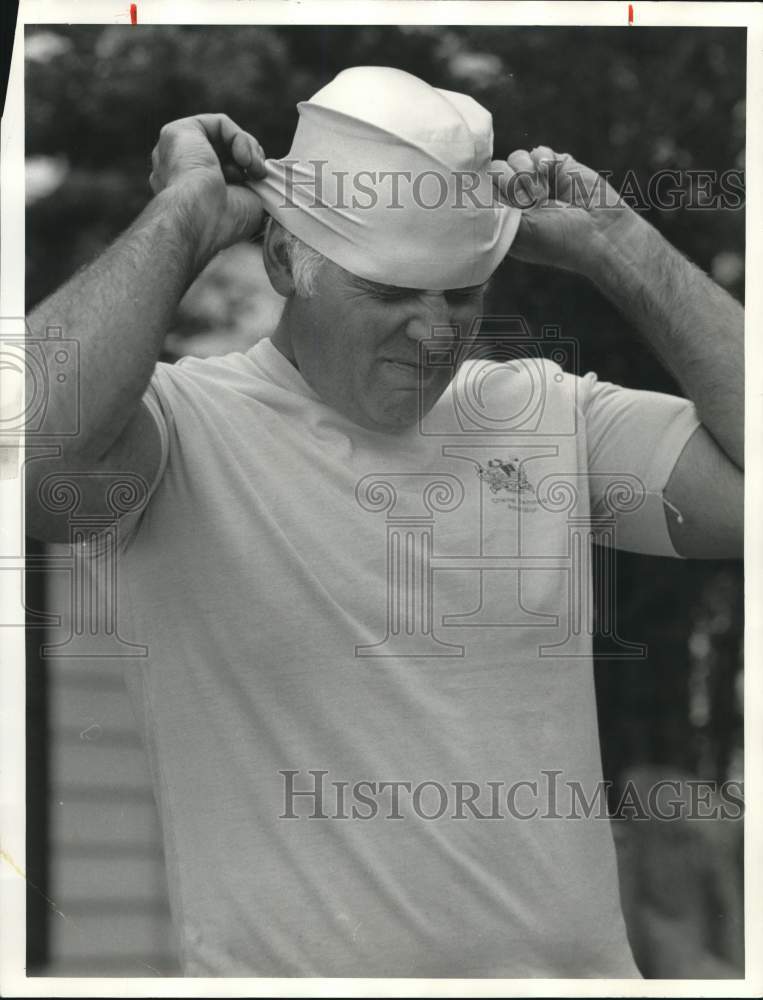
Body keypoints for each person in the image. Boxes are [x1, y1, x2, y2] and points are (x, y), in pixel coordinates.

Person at [26, 66, 743, 977]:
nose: (436, 332)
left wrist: (619, 243)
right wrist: (185, 215)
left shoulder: (549, 420)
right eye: (391, 292)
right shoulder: (179, 431)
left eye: (460, 294)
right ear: (286, 261)